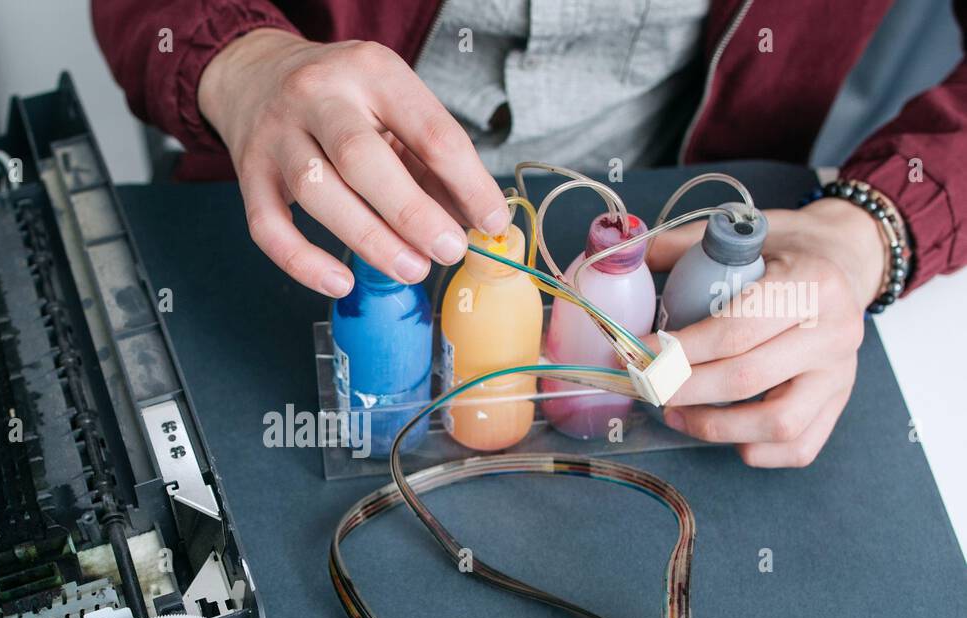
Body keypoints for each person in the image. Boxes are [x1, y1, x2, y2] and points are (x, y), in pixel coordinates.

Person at [93, 1, 966, 467]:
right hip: (294, 212)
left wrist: (870, 230)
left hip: (687, 198)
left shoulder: (597, 281)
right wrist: (240, 61)